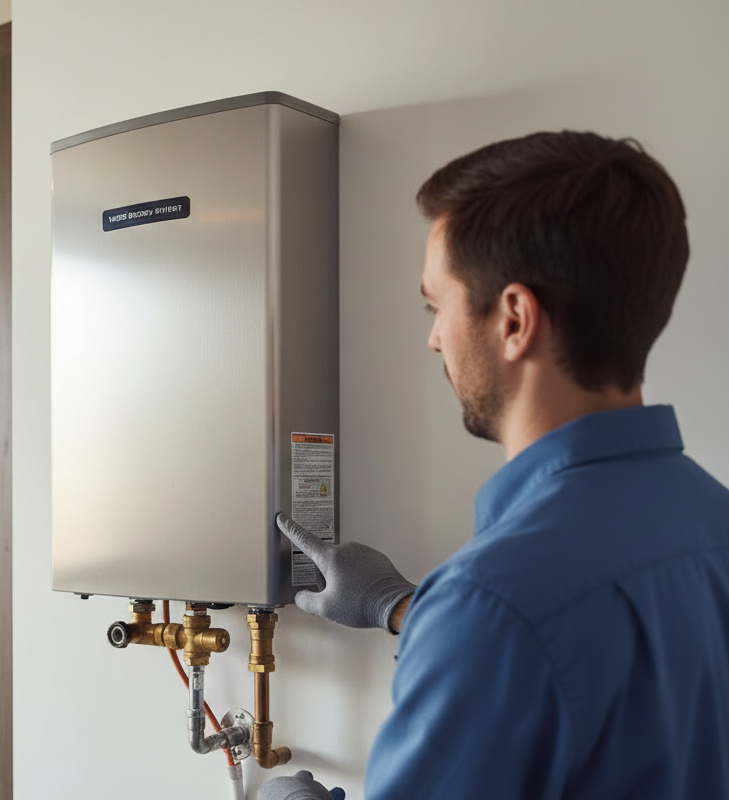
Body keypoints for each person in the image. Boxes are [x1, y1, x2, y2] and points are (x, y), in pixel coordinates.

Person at [260, 131, 729, 800]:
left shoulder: (494, 602)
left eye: (436, 306)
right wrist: (402, 607)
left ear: (514, 319)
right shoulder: (713, 521)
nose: (433, 338)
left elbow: (529, 622)